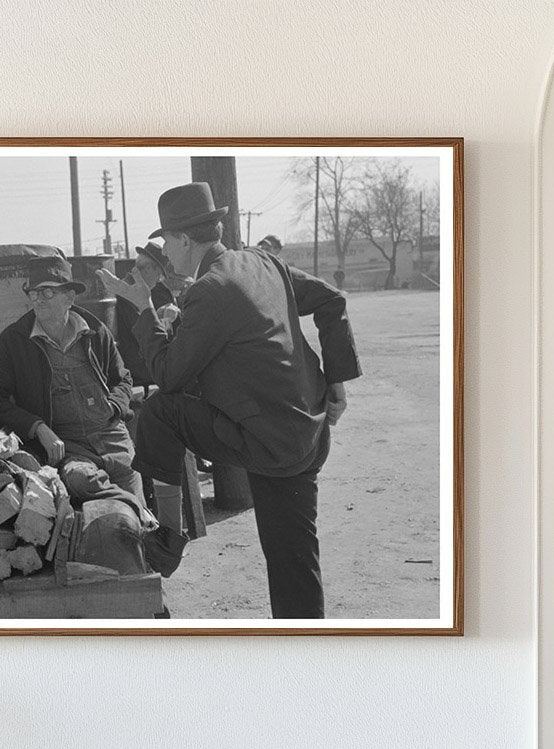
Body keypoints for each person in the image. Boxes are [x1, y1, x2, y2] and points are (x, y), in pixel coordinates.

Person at [98, 182, 362, 618]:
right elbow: (331, 300)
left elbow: (169, 375)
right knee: (294, 561)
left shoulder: (212, 288)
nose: (168, 251)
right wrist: (337, 380)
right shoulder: (262, 262)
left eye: (167, 241)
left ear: (183, 239)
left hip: (270, 444)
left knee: (161, 411)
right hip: (305, 433)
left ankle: (167, 537)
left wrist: (143, 308)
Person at [0, 254, 148, 518]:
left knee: (130, 474)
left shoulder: (95, 329)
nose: (37, 299)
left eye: (46, 292)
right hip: (69, 445)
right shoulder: (15, 340)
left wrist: (115, 405)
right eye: (33, 293)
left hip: (111, 436)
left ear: (69, 297)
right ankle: (140, 512)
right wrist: (38, 427)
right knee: (79, 480)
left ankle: (140, 529)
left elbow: (123, 378)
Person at [113, 241, 179, 387]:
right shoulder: (129, 293)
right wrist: (166, 321)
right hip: (139, 369)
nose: (158, 280)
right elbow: (145, 333)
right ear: (149, 269)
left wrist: (158, 315)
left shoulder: (128, 288)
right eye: (159, 275)